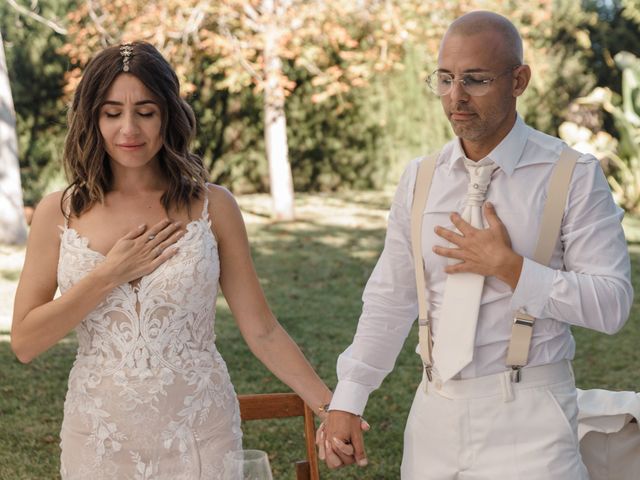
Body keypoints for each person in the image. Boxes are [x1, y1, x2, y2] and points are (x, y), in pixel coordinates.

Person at [319, 10, 633, 479]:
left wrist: (511, 268)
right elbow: (391, 297)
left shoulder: (572, 175)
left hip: (532, 421)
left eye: (475, 80)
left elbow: (612, 305)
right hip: (432, 418)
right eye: (445, 79)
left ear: (519, 80)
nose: (455, 97)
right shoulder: (420, 178)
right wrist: (349, 395)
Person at [10, 41, 336, 480]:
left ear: (168, 114)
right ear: (92, 118)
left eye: (145, 111)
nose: (129, 129)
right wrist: (109, 274)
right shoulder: (59, 212)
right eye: (111, 113)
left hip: (201, 434)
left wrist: (331, 407)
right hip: (99, 440)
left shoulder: (213, 206)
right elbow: (26, 343)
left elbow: (261, 329)